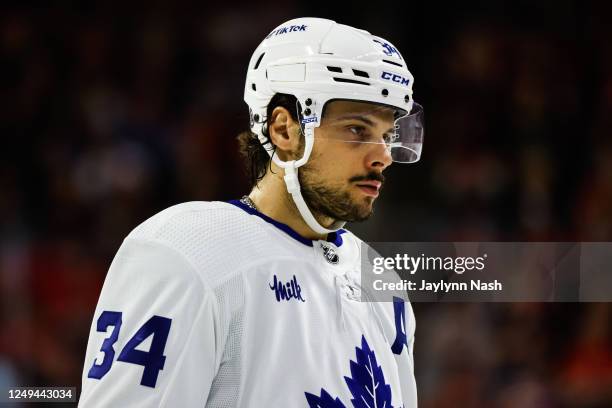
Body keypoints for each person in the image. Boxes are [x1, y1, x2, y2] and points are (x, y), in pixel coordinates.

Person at [79, 17, 423, 407]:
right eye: (358, 130)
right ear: (284, 129)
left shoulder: (379, 280)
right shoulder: (186, 249)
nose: (382, 156)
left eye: (388, 135)